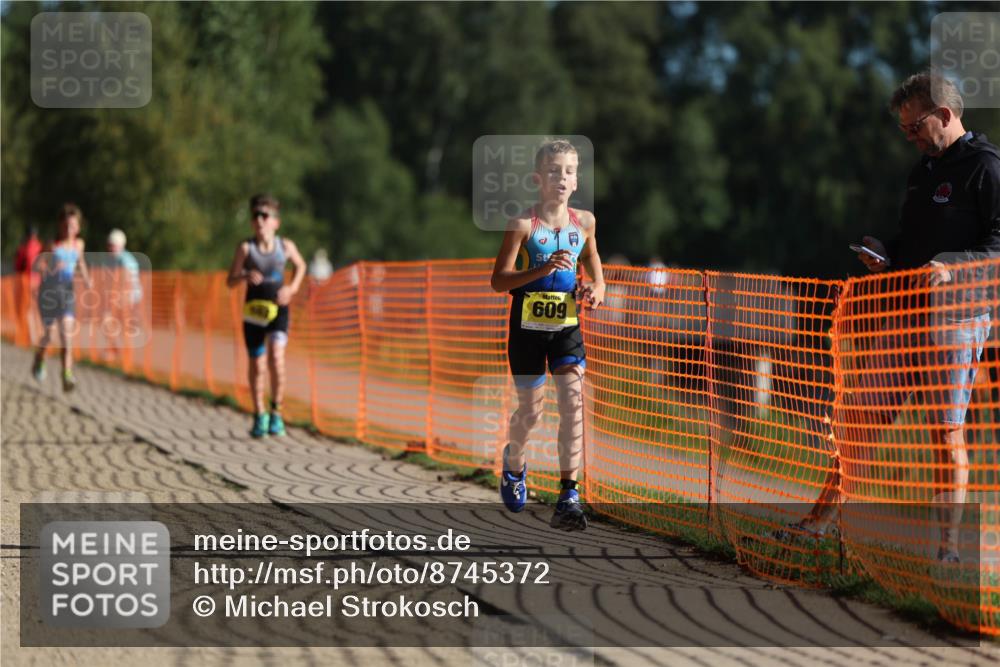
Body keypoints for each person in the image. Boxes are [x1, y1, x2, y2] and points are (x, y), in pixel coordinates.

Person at [788, 72, 1000, 563]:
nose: (909, 137)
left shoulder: (986, 167)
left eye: (915, 127)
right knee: (860, 419)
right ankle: (818, 524)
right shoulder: (923, 170)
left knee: (945, 433)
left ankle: (948, 552)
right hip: (903, 316)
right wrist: (886, 252)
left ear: (945, 115)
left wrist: (953, 267)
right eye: (904, 130)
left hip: (958, 318)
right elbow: (913, 245)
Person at [490, 139, 606, 531]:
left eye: (569, 171)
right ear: (538, 178)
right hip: (526, 327)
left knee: (573, 402)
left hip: (567, 326)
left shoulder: (584, 222)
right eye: (554, 171)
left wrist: (598, 287)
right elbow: (498, 281)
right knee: (531, 412)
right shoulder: (523, 224)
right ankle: (514, 461)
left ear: (576, 181)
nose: (562, 177)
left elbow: (591, 256)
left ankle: (569, 495)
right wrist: (539, 272)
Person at [226, 194, 307, 438]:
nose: (260, 220)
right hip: (253, 312)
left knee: (277, 358)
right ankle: (259, 414)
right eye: (255, 216)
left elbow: (301, 266)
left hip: (278, 310)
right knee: (257, 364)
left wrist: (291, 289)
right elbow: (230, 280)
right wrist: (243, 276)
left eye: (265, 215)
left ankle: (277, 413)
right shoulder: (245, 248)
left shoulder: (286, 246)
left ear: (275, 222)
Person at [31, 204, 92, 392]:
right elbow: (39, 264)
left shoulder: (78, 245)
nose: (69, 229)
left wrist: (87, 279)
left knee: (67, 335)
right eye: (66, 226)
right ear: (60, 226)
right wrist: (46, 269)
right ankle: (39, 359)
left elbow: (80, 262)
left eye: (73, 226)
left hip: (67, 293)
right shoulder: (52, 244)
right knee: (49, 334)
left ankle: (67, 374)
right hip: (49, 293)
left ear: (78, 228)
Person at [103, 228, 143, 354]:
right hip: (123, 296)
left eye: (112, 246)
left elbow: (126, 283)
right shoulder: (115, 259)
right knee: (110, 321)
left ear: (120, 245)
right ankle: (116, 348)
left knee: (110, 320)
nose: (110, 249)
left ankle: (121, 350)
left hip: (129, 297)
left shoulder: (125, 260)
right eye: (109, 246)